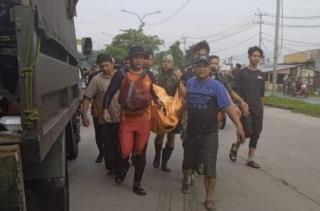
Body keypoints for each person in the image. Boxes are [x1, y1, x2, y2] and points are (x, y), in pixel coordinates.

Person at [179, 56, 245, 211]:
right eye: (198, 66)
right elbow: (188, 101)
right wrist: (177, 112)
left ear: (210, 68)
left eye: (204, 66)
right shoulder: (190, 83)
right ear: (195, 68)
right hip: (192, 131)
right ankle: (187, 179)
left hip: (209, 133)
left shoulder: (217, 86)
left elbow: (228, 107)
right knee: (188, 161)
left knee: (210, 167)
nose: (201, 68)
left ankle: (209, 198)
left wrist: (239, 126)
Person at [102, 46, 161, 196]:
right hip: (126, 120)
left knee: (140, 152)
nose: (139, 60)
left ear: (145, 59)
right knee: (125, 151)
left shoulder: (149, 75)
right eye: (136, 57)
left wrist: (160, 101)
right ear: (130, 59)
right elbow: (109, 93)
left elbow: (155, 92)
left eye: (142, 57)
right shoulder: (121, 74)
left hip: (144, 120)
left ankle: (137, 184)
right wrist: (105, 110)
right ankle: (123, 168)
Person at [82, 54, 121, 172]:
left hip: (122, 118)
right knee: (108, 145)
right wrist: (84, 115)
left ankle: (120, 166)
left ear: (112, 64)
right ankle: (111, 168)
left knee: (120, 144)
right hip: (105, 119)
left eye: (106, 65)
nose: (104, 68)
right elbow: (87, 97)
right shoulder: (96, 79)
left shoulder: (122, 76)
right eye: (101, 66)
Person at [229, 46, 265, 169]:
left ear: (260, 58)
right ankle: (235, 147)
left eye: (258, 56)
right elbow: (233, 91)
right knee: (246, 133)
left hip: (258, 110)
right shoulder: (242, 73)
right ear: (249, 56)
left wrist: (262, 109)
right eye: (254, 55)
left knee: (256, 135)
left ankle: (250, 159)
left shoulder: (261, 75)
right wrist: (240, 105)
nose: (256, 58)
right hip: (245, 109)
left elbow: (261, 94)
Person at [153, 54, 181, 172]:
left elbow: (182, 93)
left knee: (171, 137)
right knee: (160, 134)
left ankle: (165, 162)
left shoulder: (177, 76)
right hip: (161, 107)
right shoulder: (156, 75)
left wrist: (179, 80)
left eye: (168, 61)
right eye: (164, 61)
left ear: (172, 63)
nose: (165, 63)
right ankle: (157, 156)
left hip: (173, 109)